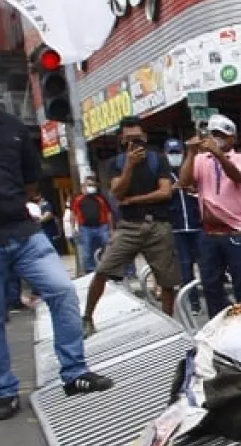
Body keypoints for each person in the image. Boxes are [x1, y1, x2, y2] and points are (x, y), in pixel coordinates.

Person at [0, 53, 113, 421]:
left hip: (24, 235)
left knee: (62, 292)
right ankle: (4, 392)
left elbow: (29, 181)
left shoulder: (10, 126)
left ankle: (74, 374)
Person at [82, 115, 181, 335]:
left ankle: (169, 323)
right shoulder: (115, 164)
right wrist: (129, 166)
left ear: (145, 137)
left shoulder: (158, 160)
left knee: (167, 280)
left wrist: (134, 200)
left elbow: (165, 192)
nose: (135, 143)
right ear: (121, 140)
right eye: (129, 139)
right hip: (129, 226)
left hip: (157, 225)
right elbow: (117, 192)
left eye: (138, 138)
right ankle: (87, 318)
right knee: (103, 270)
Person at [178, 114, 241, 317]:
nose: (217, 139)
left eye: (222, 135)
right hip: (209, 235)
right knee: (211, 286)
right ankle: (219, 327)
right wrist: (191, 153)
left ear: (233, 138)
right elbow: (184, 182)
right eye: (214, 135)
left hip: (236, 233)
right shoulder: (201, 160)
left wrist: (220, 156)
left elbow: (239, 177)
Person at [165, 137, 203, 312]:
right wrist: (173, 188)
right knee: (185, 267)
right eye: (171, 153)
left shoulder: (192, 169)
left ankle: (212, 301)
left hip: (198, 225)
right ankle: (194, 303)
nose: (175, 156)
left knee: (205, 264)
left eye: (177, 153)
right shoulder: (164, 175)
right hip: (178, 227)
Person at [71, 175, 114, 276]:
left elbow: (108, 213)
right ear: (84, 186)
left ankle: (109, 268)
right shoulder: (78, 199)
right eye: (89, 185)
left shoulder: (100, 198)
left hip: (101, 227)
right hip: (85, 228)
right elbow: (73, 214)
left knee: (108, 248)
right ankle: (90, 272)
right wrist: (73, 228)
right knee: (87, 251)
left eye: (93, 185)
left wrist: (111, 228)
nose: (91, 187)